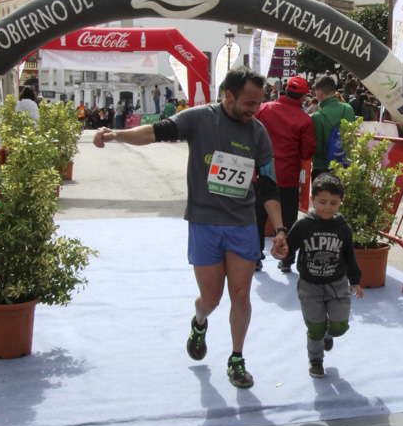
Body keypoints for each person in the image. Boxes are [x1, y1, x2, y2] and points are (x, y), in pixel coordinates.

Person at [92, 68, 288, 389]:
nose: (256, 110)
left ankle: (236, 358)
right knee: (210, 300)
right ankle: (200, 322)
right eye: (250, 103)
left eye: (260, 103)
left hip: (241, 225)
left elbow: (268, 186)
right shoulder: (199, 119)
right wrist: (116, 135)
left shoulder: (258, 133)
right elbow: (154, 132)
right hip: (204, 224)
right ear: (228, 96)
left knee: (240, 295)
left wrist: (279, 230)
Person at [283, 173, 363, 378]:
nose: (328, 207)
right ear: (313, 200)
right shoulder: (304, 225)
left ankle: (330, 333)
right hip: (310, 286)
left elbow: (350, 254)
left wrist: (355, 280)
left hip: (337, 284)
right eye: (322, 202)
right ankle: (315, 359)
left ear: (340, 202)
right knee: (315, 329)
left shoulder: (343, 227)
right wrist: (280, 252)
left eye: (334, 203)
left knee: (339, 327)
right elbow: (288, 247)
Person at [254, 75, 316, 273]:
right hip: (287, 176)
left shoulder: (264, 108)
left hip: (261, 172)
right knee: (288, 218)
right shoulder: (304, 119)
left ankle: (255, 257)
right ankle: (287, 259)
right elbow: (307, 152)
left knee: (258, 216)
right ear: (304, 96)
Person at [310, 76, 356, 180]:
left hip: (322, 168)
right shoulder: (348, 109)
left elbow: (318, 149)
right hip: (345, 166)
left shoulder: (316, 117)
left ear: (320, 93)